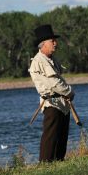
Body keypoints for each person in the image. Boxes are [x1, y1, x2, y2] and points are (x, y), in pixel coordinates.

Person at [29, 24, 75, 162]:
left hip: (62, 103)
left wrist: (67, 94)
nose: (55, 43)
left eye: (55, 40)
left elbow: (59, 80)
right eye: (52, 41)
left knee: (62, 135)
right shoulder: (39, 61)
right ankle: (45, 164)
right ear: (42, 44)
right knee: (50, 136)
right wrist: (70, 92)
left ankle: (59, 162)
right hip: (51, 103)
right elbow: (54, 83)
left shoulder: (52, 59)